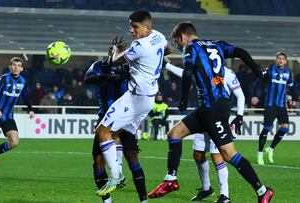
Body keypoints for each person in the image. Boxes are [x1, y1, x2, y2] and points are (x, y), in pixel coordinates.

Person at [148, 21, 273, 203]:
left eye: (177, 42)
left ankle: (262, 191)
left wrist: (183, 98)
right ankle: (171, 180)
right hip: (207, 108)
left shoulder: (190, 48)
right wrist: (258, 72)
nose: (178, 45)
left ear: (183, 36)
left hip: (214, 108)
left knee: (228, 154)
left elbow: (188, 73)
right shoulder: (217, 44)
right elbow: (241, 53)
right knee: (174, 134)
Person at [94, 10, 172, 199]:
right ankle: (124, 177)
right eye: (130, 25)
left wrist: (114, 52)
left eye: (135, 27)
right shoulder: (159, 36)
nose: (131, 30)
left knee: (102, 132)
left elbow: (116, 62)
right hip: (148, 98)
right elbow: (169, 49)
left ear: (147, 28)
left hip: (136, 97)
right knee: (116, 134)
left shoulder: (140, 45)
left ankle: (116, 176)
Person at [165, 62, 245, 202]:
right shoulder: (203, 71)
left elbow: (240, 95)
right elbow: (185, 74)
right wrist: (167, 65)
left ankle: (225, 195)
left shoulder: (227, 73)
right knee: (198, 154)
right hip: (204, 117)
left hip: (218, 118)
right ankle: (206, 189)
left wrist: (239, 115)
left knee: (216, 156)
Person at [85, 39, 148, 203]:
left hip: (126, 116)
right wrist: (105, 76)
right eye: (115, 49)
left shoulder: (130, 67)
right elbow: (87, 79)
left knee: (132, 157)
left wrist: (121, 74)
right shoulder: (99, 66)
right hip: (104, 116)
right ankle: (107, 201)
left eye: (122, 49)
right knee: (98, 162)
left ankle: (143, 200)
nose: (118, 51)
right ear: (109, 51)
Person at [252, 52, 293, 165]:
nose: (280, 60)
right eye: (278, 58)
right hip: (270, 105)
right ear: (276, 60)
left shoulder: (288, 73)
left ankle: (270, 149)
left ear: (285, 61)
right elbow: (259, 81)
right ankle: (260, 154)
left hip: (281, 106)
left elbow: (290, 86)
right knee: (267, 128)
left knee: (285, 128)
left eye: (282, 59)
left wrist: (292, 98)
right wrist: (255, 95)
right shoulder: (270, 70)